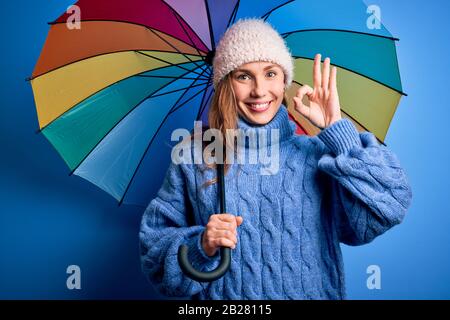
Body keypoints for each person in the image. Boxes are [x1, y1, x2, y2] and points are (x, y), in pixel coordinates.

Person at [139, 18, 412, 300]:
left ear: (285, 81)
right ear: (225, 85)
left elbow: (389, 207)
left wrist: (336, 130)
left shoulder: (318, 154)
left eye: (270, 73)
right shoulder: (195, 157)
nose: (259, 90)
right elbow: (154, 256)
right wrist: (201, 246)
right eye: (243, 76)